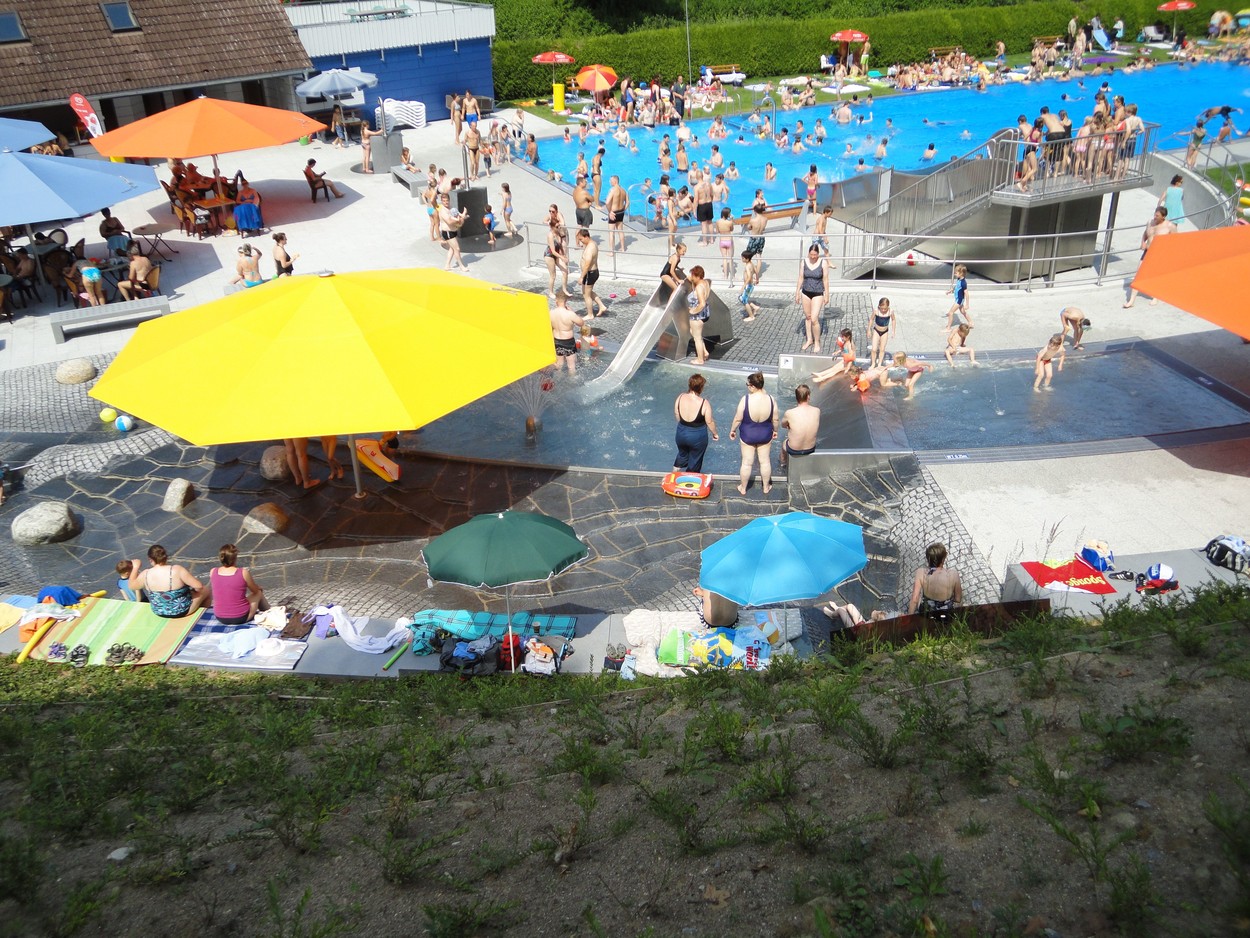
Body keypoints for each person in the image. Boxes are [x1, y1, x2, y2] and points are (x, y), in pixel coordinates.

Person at [728, 371, 778, 495]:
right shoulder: (771, 399)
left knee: (746, 463)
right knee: (765, 462)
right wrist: (775, 431)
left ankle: (743, 488)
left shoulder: (745, 399)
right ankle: (766, 487)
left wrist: (733, 430)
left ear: (752, 386)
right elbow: (775, 419)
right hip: (765, 434)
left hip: (748, 435)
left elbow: (738, 418)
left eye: (747, 385)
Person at [127, 544, 208, 619]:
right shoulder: (176, 570)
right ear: (165, 557)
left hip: (159, 611)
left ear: (150, 559)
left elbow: (132, 586)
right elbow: (198, 586)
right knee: (205, 590)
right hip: (181, 611)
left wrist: (135, 567)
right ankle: (206, 616)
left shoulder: (146, 574)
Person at [1124, 206, 1176, 307]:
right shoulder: (1150, 222)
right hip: (1147, 251)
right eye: (1155, 215)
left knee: (1155, 275)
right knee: (1139, 275)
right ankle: (1131, 300)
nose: (1155, 217)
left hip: (1160, 253)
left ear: (1163, 217)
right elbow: (1145, 233)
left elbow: (1175, 240)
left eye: (1157, 216)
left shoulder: (1170, 226)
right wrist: (1143, 242)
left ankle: (1156, 296)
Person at [209, 544, 269, 625]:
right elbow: (255, 591)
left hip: (220, 617)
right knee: (258, 593)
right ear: (235, 558)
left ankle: (269, 612)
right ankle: (269, 612)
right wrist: (259, 588)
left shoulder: (213, 571)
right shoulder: (243, 572)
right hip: (240, 617)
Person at [673, 373, 719, 473]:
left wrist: (683, 426)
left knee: (682, 455)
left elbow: (677, 413)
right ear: (701, 388)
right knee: (695, 461)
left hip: (681, 433)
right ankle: (689, 479)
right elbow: (709, 421)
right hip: (697, 437)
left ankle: (673, 475)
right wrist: (715, 433)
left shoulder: (680, 397)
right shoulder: (704, 403)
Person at [907, 543, 963, 618]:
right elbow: (958, 599)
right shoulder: (953, 574)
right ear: (944, 557)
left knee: (919, 597)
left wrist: (909, 618)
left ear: (928, 558)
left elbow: (915, 599)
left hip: (927, 614)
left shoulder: (921, 572)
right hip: (945, 615)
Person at [795, 243, 829, 353]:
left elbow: (825, 280)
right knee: (808, 317)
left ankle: (817, 341)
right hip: (806, 292)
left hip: (818, 292)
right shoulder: (804, 262)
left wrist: (827, 294)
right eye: (811, 254)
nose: (813, 257)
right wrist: (797, 292)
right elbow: (801, 277)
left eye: (815, 255)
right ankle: (809, 339)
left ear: (818, 254)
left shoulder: (823, 263)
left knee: (814, 318)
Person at [780, 384, 820, 466]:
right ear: (808, 396)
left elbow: (783, 425)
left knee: (784, 444)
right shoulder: (817, 411)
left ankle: (783, 464)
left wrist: (789, 425)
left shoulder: (789, 413)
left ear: (796, 397)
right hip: (810, 449)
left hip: (794, 450)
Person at [550, 291, 583, 375]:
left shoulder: (551, 313)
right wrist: (573, 312)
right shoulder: (570, 314)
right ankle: (572, 381)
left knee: (559, 364)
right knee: (571, 366)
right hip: (568, 342)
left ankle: (557, 378)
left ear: (556, 300)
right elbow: (581, 323)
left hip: (556, 340)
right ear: (566, 301)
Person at [576, 228, 606, 318]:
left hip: (590, 273)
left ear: (586, 237)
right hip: (591, 272)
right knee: (588, 291)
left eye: (581, 239)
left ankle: (590, 314)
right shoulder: (592, 243)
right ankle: (602, 306)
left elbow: (587, 264)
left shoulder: (590, 248)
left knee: (586, 295)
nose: (580, 241)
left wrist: (582, 277)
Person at [686, 265, 711, 365]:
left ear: (697, 276)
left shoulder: (699, 288)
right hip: (705, 314)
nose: (691, 277)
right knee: (693, 332)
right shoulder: (705, 282)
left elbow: (702, 303)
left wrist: (693, 311)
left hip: (698, 316)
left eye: (693, 276)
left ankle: (700, 359)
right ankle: (705, 352)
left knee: (697, 338)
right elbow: (691, 280)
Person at [438, 193, 468, 272]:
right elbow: (449, 222)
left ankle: (447, 265)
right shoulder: (443, 211)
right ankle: (461, 266)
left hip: (453, 231)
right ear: (441, 201)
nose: (446, 202)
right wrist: (459, 220)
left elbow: (457, 214)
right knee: (457, 248)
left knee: (452, 248)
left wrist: (462, 216)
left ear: (449, 200)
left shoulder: (450, 207)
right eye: (444, 201)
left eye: (447, 201)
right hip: (447, 232)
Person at [868, 296, 895, 369]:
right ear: (879, 306)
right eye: (882, 308)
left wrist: (893, 331)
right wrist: (869, 329)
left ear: (888, 307)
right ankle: (873, 363)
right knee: (874, 349)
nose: (883, 310)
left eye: (885, 309)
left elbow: (893, 320)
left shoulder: (890, 312)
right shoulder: (876, 311)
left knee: (882, 349)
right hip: (876, 331)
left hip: (884, 332)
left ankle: (879, 363)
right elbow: (871, 319)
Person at [544, 219, 569, 296]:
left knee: (565, 271)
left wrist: (563, 254)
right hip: (549, 255)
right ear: (552, 227)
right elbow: (553, 251)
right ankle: (551, 292)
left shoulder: (558, 232)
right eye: (557, 226)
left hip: (557, 254)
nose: (559, 227)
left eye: (559, 226)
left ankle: (564, 289)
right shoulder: (550, 235)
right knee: (553, 275)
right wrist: (562, 257)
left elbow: (560, 245)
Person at [605, 175, 628, 253]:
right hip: (621, 212)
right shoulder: (623, 190)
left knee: (611, 232)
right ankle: (623, 248)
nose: (610, 182)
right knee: (620, 231)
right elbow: (628, 202)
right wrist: (624, 209)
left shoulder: (613, 190)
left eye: (611, 181)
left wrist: (610, 212)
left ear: (615, 181)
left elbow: (607, 202)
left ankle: (611, 252)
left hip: (614, 213)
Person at [945, 263, 972, 327]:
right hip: (959, 299)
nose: (955, 274)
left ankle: (948, 328)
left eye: (956, 273)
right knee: (963, 312)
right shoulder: (959, 279)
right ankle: (971, 322)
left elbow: (966, 294)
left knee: (951, 313)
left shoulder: (963, 283)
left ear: (961, 273)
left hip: (959, 300)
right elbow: (957, 286)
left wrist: (967, 304)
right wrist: (951, 290)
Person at [739, 251, 760, 322]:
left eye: (743, 258)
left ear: (747, 259)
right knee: (743, 298)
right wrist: (757, 279)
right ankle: (755, 307)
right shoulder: (751, 264)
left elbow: (749, 277)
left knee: (744, 300)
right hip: (750, 285)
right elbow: (756, 271)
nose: (742, 259)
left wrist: (743, 286)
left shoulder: (747, 266)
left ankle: (751, 316)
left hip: (748, 286)